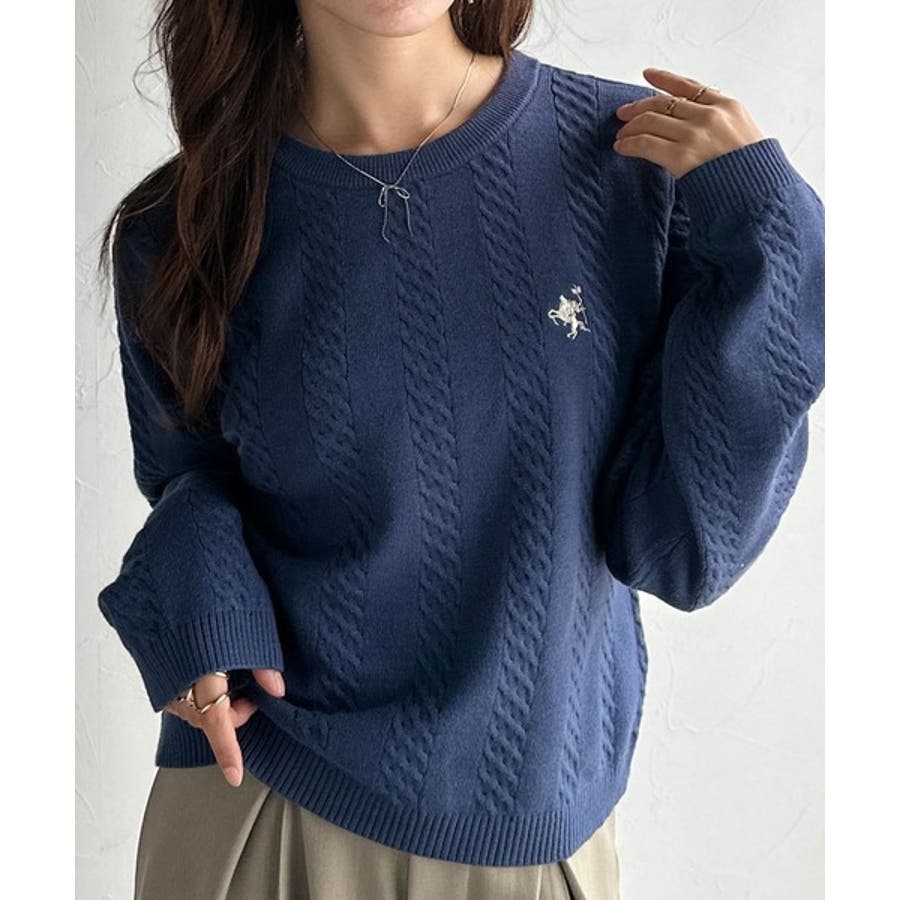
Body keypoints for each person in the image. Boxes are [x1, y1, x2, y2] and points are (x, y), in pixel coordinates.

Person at [95, 1, 825, 898]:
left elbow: (681, 548)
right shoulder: (180, 220)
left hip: (529, 825)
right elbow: (190, 478)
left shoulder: (636, 163)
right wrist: (197, 608)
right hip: (265, 797)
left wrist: (771, 234)